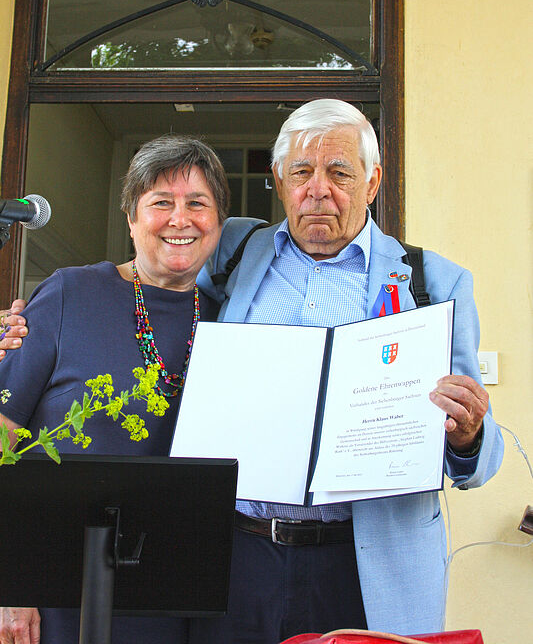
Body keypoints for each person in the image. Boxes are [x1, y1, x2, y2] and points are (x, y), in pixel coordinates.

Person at [0, 100, 504, 641]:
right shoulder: (239, 252)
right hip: (236, 561)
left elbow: (479, 460)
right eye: (301, 172)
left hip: (362, 568)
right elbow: (158, 267)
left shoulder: (433, 284)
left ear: (373, 181)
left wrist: (469, 434)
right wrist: (19, 327)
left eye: (339, 173)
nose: (318, 190)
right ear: (278, 180)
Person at [0, 135, 230, 644]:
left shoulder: (228, 320)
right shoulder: (70, 292)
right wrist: (9, 583)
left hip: (179, 594)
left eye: (198, 203)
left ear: (218, 223)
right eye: (160, 203)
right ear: (131, 218)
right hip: (58, 587)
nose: (180, 219)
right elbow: (2, 435)